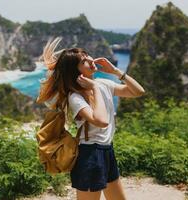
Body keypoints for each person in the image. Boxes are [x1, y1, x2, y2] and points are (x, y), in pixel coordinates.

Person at [36, 36, 145, 200]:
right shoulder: (75, 97)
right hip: (89, 155)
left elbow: (138, 92)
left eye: (87, 55)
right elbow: (101, 121)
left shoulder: (103, 84)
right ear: (77, 71)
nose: (90, 59)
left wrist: (116, 72)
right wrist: (93, 87)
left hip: (107, 150)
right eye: (83, 61)